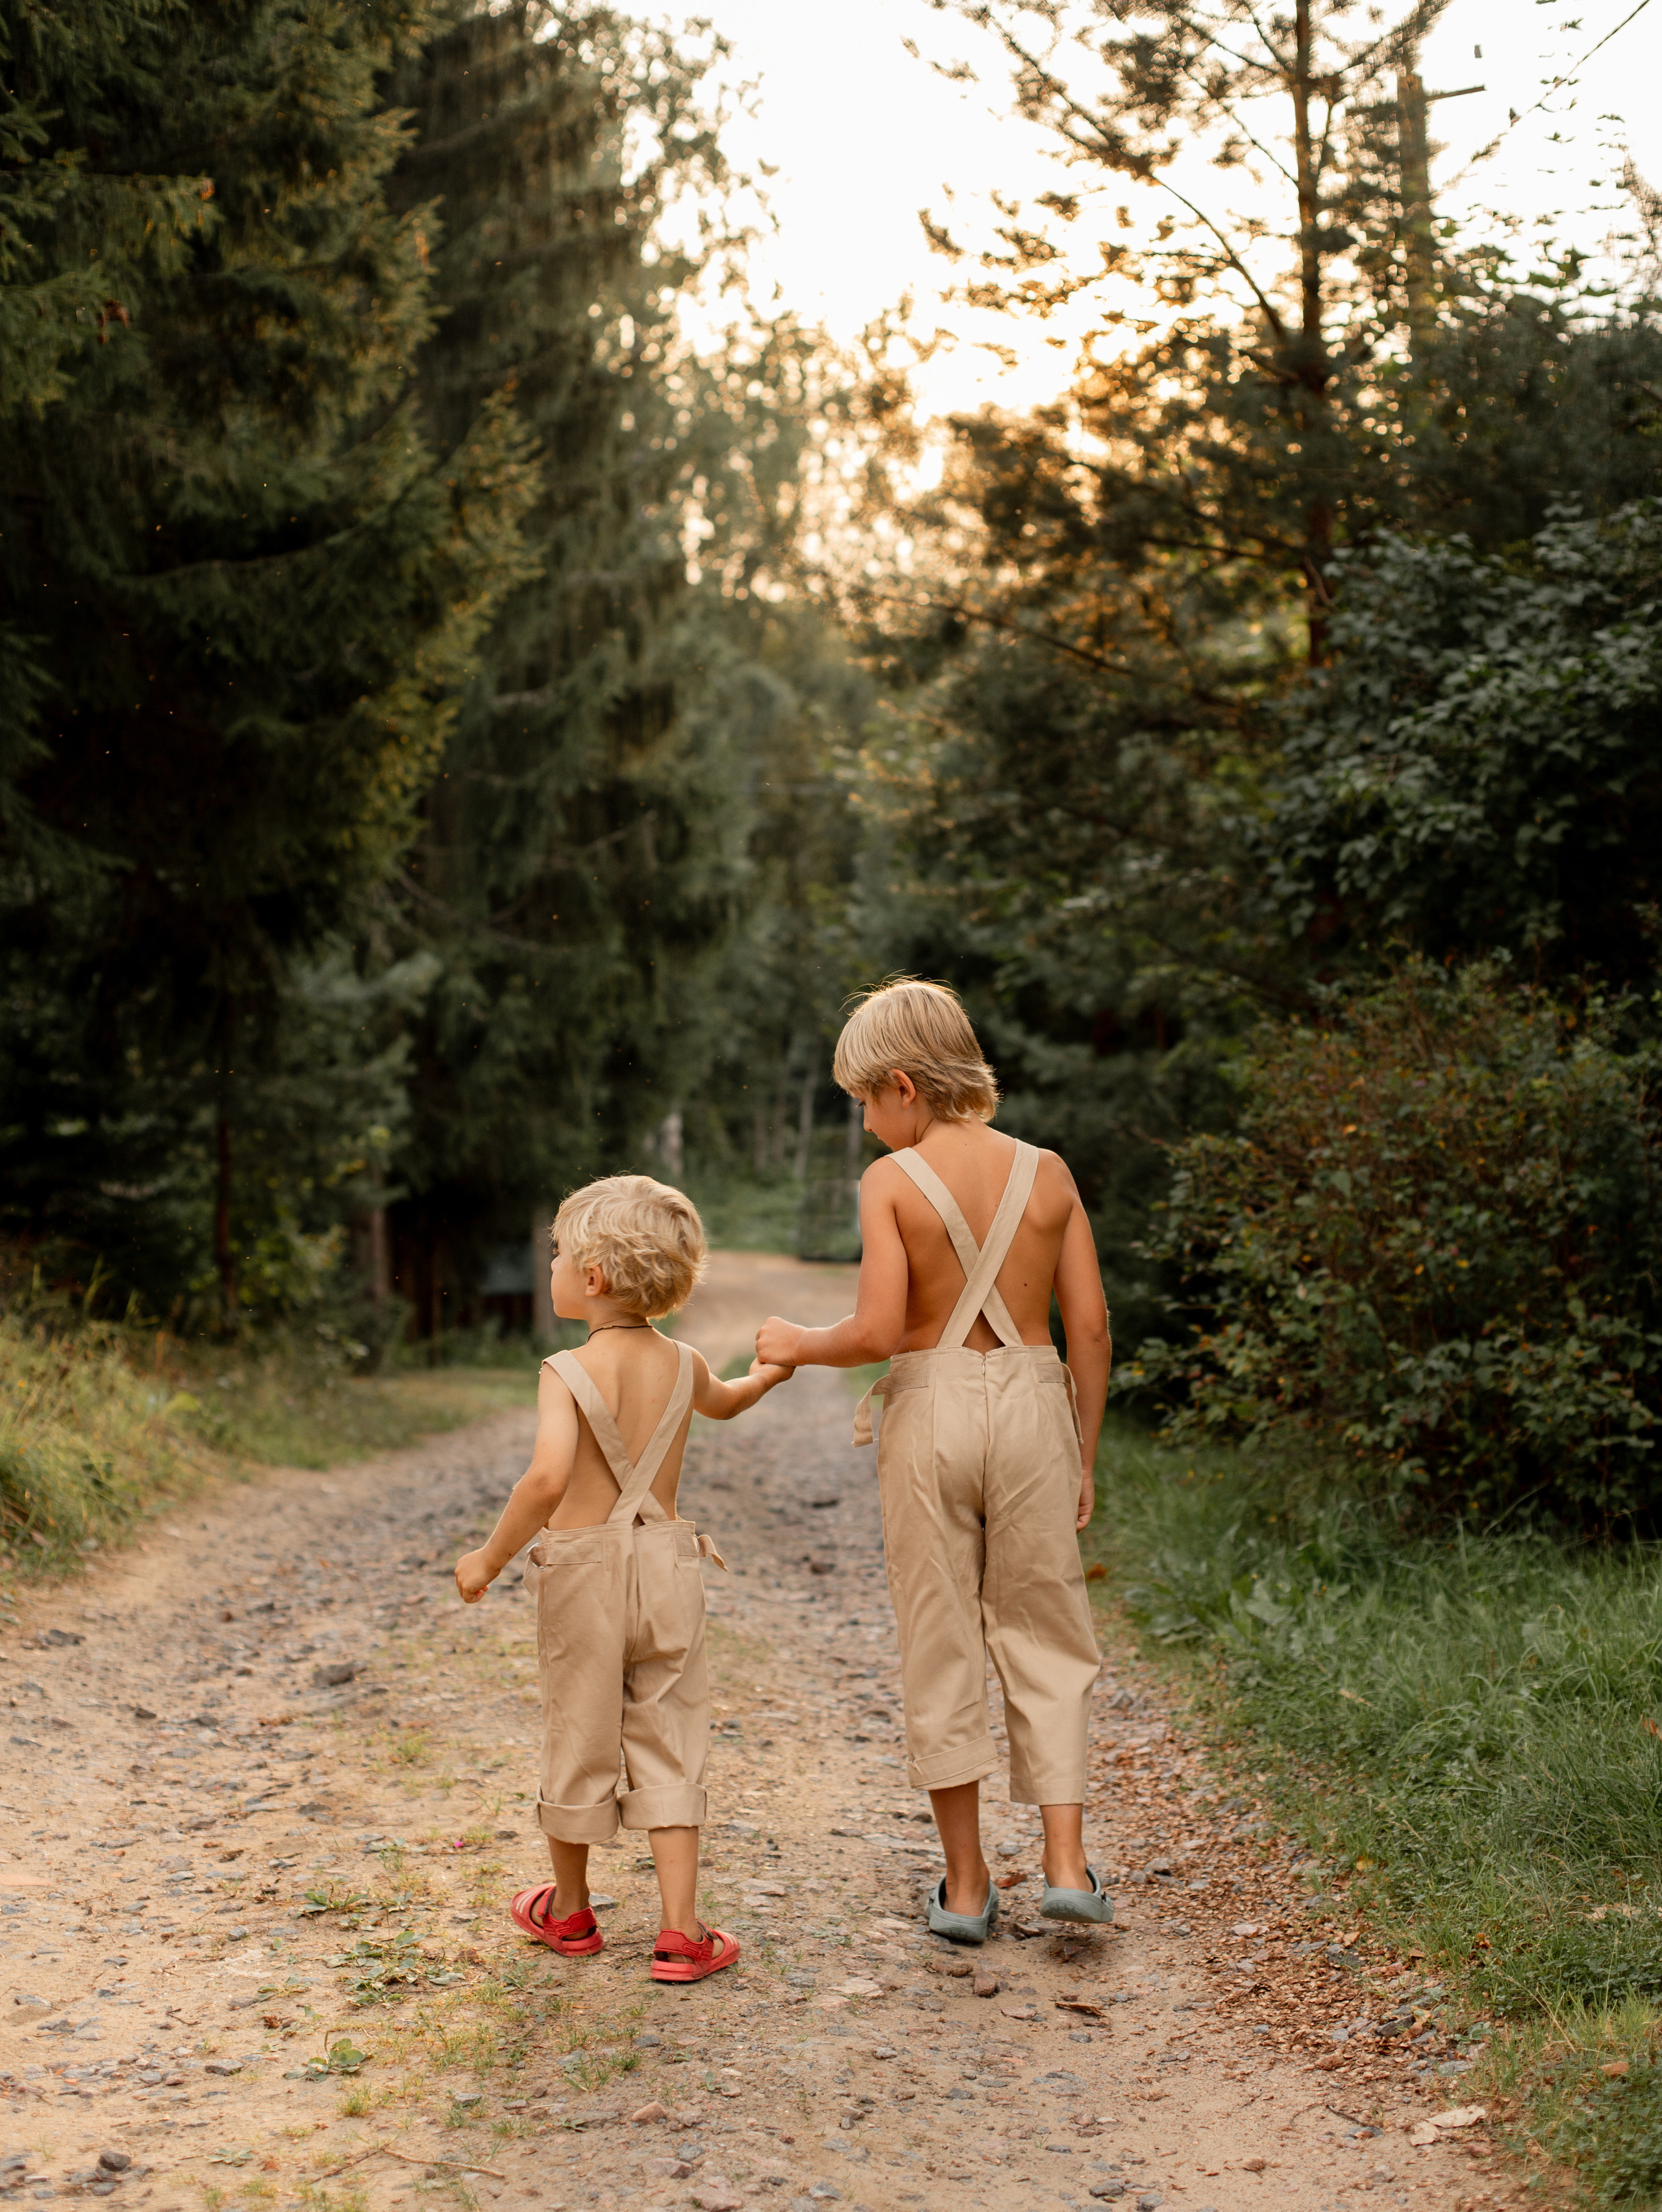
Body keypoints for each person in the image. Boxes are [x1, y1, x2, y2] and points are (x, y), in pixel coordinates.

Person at [756, 978, 1111, 1942]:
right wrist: (1082, 1452)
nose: (866, 1122)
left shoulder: (892, 1183)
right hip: (1036, 1402)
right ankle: (1068, 1862)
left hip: (930, 1411)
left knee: (941, 1632)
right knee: (1045, 1626)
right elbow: (1088, 1326)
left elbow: (876, 1329)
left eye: (865, 1100)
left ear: (905, 1085)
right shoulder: (1050, 1172)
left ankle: (964, 1886)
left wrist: (793, 1338)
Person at [455, 1173, 792, 1983]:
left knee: (580, 1731)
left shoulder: (564, 1369)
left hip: (581, 1574)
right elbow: (734, 1400)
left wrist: (488, 1559)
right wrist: (770, 1373)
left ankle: (569, 1909)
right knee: (669, 1737)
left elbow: (543, 1482)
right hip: (667, 1565)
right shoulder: (684, 1362)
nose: (553, 1267)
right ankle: (682, 1932)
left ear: (594, 1277)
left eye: (560, 1254)